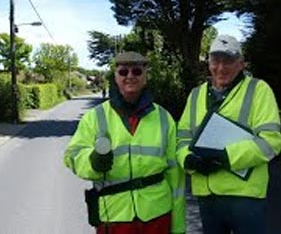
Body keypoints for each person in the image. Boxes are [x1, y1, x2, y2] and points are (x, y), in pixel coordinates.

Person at [64, 51, 186, 234]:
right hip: (113, 216)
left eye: (137, 71)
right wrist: (92, 162)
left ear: (146, 76)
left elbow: (175, 177)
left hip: (157, 215)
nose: (130, 76)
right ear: (115, 76)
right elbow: (72, 156)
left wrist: (178, 228)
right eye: (123, 72)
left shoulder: (164, 118)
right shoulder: (95, 117)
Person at [176, 34, 281, 234]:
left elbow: (271, 141)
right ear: (208, 63)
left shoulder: (259, 90)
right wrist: (189, 160)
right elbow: (181, 138)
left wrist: (226, 157)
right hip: (207, 197)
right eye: (216, 61)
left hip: (245, 197)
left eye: (229, 61)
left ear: (241, 64)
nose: (221, 68)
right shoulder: (196, 94)